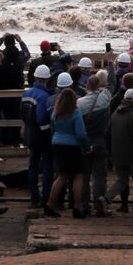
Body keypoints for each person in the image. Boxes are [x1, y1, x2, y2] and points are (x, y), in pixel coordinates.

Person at [45, 87, 89, 218]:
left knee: (61, 176)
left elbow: (53, 128)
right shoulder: (75, 113)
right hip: (72, 146)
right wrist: (87, 146)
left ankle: (50, 204)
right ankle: (77, 207)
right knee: (78, 176)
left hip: (57, 144)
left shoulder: (55, 112)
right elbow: (81, 134)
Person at [107, 87, 133, 219]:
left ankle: (105, 198)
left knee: (122, 180)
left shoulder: (115, 114)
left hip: (117, 154)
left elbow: (108, 133)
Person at [79, 73, 113, 216]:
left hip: (85, 141)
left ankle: (84, 205)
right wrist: (110, 62)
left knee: (84, 176)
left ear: (87, 86)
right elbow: (112, 83)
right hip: (100, 140)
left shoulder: (79, 103)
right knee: (100, 175)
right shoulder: (105, 98)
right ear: (99, 86)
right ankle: (99, 203)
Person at [20, 65, 54, 207]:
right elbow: (41, 118)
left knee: (32, 166)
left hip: (29, 134)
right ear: (47, 78)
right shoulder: (44, 96)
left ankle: (34, 196)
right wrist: (48, 131)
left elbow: (21, 114)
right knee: (47, 167)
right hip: (42, 136)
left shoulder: (26, 94)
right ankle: (46, 197)